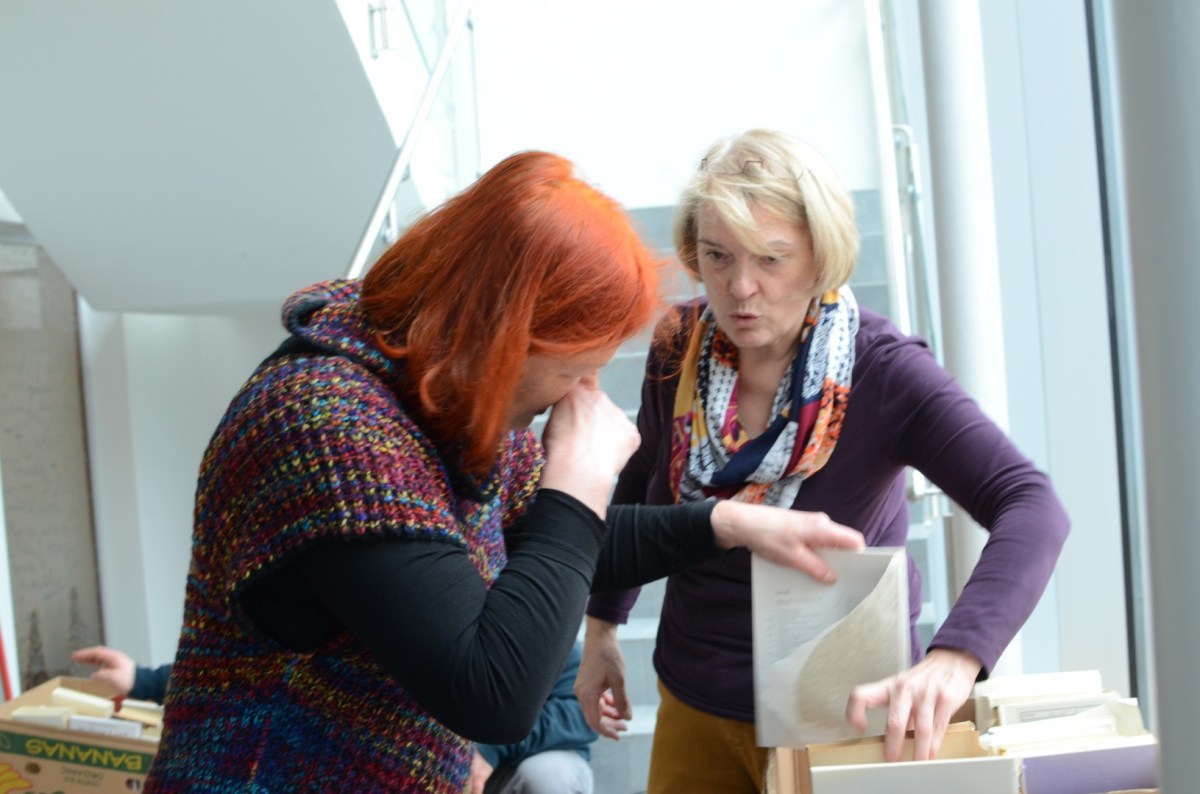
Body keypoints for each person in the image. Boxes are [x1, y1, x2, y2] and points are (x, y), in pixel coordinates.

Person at [134, 150, 866, 792]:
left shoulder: (443, 392)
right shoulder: (328, 426)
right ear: (509, 336)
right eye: (575, 371)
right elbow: (493, 692)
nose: (583, 396)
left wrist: (724, 523)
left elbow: (541, 543)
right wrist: (576, 483)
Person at [575, 129, 1072, 793]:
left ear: (819, 257)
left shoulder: (884, 370)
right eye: (718, 256)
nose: (740, 287)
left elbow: (1032, 506)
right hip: (697, 697)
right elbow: (642, 482)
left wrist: (958, 657)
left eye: (771, 259)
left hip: (844, 710)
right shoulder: (679, 345)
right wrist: (602, 627)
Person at [74, 642, 597, 794]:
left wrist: (487, 752)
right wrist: (142, 680)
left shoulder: (546, 639)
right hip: (425, 768)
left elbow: (581, 716)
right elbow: (264, 672)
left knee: (550, 777)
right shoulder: (416, 624)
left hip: (512, 771)